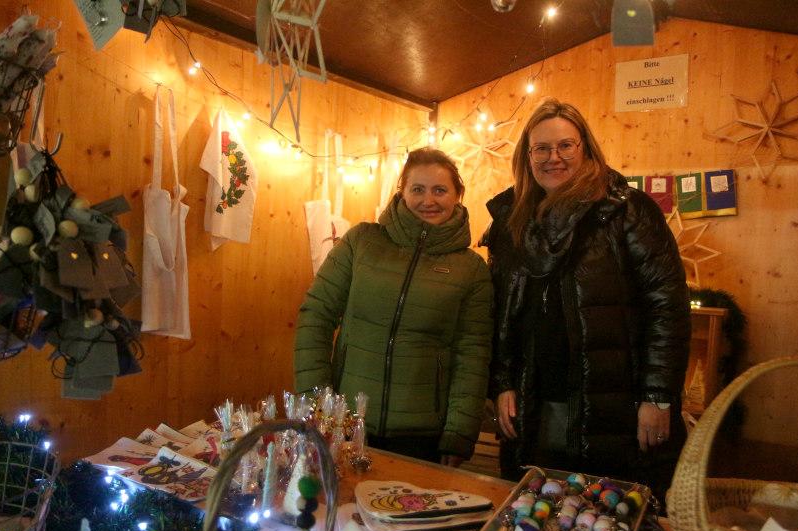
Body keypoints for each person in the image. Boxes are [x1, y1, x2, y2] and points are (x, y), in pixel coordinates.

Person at [482, 98, 691, 502]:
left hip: (615, 404)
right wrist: (502, 382)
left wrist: (657, 396)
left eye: (565, 145)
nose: (553, 157)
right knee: (537, 518)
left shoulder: (627, 211)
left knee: (610, 523)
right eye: (541, 148)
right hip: (535, 402)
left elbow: (667, 306)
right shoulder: (512, 220)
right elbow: (501, 312)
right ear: (527, 157)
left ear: (586, 148)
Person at [295, 148, 493, 468]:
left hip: (423, 436)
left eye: (440, 190)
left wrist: (459, 433)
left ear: (458, 195)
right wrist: (317, 405)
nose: (428, 200)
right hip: (347, 423)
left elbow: (473, 354)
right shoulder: (361, 242)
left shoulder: (471, 269)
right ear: (402, 192)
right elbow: (315, 316)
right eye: (418, 189)